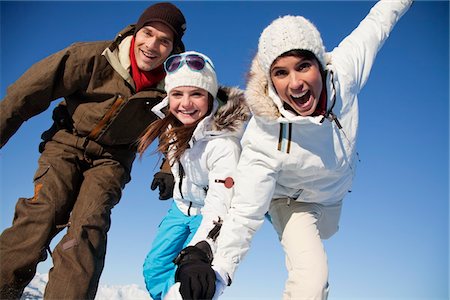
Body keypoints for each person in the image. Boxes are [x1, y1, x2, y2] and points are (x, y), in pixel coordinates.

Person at [174, 0, 413, 299]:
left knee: (328, 231)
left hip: (332, 196)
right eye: (281, 72)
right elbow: (245, 214)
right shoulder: (264, 135)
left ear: (319, 64)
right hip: (291, 200)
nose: (296, 83)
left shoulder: (345, 71)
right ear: (270, 79)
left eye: (303, 66)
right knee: (312, 281)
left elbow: (378, 22)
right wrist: (216, 271)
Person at [0, 2, 186, 299]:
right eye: (147, 33)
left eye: (164, 41)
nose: (152, 45)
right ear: (136, 31)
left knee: (88, 228)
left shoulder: (174, 85)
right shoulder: (94, 57)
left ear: (174, 48)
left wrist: (168, 170)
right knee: (42, 214)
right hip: (68, 143)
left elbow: (179, 127)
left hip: (113, 160)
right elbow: (26, 93)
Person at [137, 51, 250, 300]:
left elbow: (221, 204)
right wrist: (170, 174)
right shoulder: (173, 124)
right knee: (154, 270)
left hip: (207, 214)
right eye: (177, 94)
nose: (185, 104)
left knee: (192, 277)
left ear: (210, 98)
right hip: (179, 209)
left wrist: (200, 250)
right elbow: (182, 154)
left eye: (196, 94)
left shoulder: (224, 146)